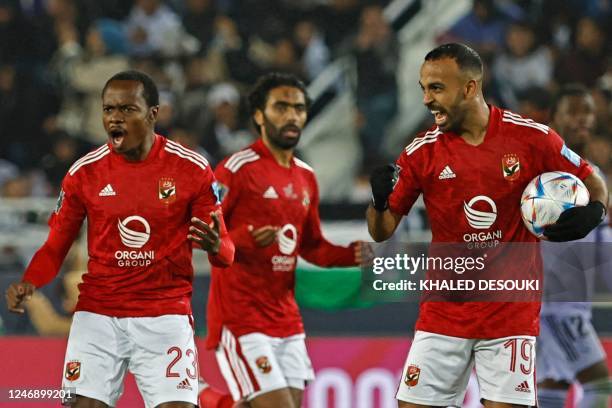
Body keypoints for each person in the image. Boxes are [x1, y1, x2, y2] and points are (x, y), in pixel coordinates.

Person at [367, 43, 608, 407]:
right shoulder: (421, 153)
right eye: (423, 88)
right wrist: (379, 201)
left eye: (436, 88)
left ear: (469, 87)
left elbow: (593, 180)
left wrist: (596, 211)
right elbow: (380, 229)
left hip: (509, 313)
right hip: (444, 312)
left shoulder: (531, 138)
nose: (427, 100)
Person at [4, 70, 234, 408]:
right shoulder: (84, 173)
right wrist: (30, 281)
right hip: (98, 317)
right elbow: (56, 246)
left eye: (127, 109)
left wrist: (215, 247)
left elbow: (227, 253)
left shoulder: (192, 169)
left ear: (153, 113)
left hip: (164, 315)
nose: (115, 118)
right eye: (109, 109)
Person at [201, 72, 366, 408]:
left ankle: (201, 398)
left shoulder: (306, 176)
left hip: (286, 319)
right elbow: (204, 233)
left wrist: (355, 255)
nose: (292, 115)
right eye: (281, 107)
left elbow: (312, 247)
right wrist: (245, 238)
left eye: (299, 108)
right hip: (241, 317)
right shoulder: (235, 169)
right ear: (259, 115)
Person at [537, 85, 612, 408]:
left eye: (588, 111)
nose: (583, 118)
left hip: (571, 302)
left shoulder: (593, 174)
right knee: (599, 385)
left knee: (555, 383)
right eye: (573, 111)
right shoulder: (543, 175)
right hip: (554, 305)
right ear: (554, 119)